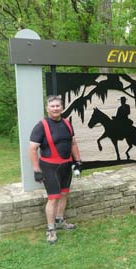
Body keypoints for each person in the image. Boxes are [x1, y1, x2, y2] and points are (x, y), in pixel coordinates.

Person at [29, 95, 82, 244]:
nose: (55, 108)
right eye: (52, 106)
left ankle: (60, 221)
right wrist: (36, 170)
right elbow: (33, 149)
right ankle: (51, 229)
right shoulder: (41, 126)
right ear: (47, 108)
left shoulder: (67, 123)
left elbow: (73, 144)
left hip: (66, 165)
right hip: (49, 167)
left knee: (64, 195)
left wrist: (78, 161)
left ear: (62, 107)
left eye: (58, 106)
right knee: (53, 198)